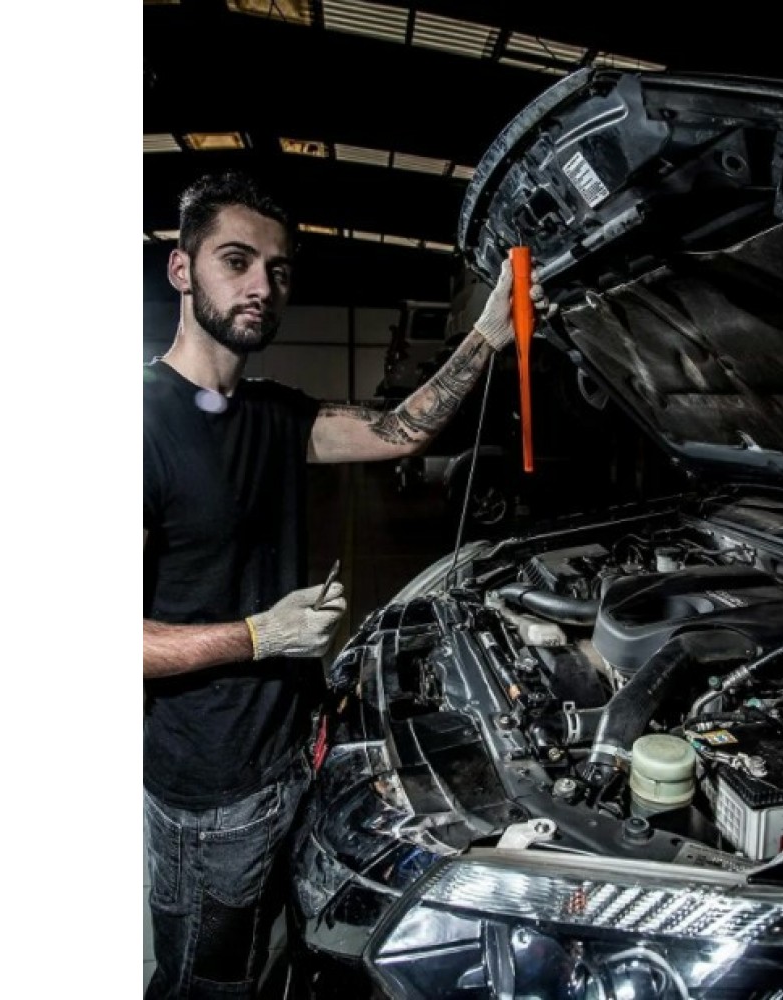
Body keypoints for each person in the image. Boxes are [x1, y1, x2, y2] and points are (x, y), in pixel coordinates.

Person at [143, 170, 543, 998]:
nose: (261, 285)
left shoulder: (274, 415)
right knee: (205, 982)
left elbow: (398, 432)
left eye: (279, 269)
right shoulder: (137, 427)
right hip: (213, 792)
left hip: (295, 753)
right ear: (182, 269)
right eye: (236, 261)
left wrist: (486, 335)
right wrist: (260, 635)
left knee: (274, 953)